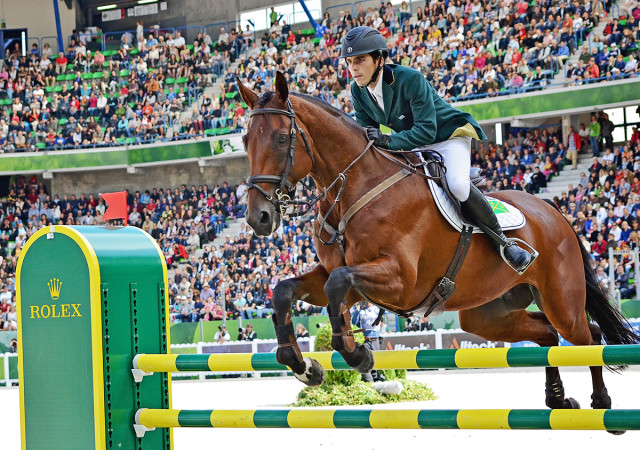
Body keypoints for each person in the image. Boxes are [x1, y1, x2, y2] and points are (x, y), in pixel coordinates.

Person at [341, 26, 535, 274]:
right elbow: (368, 137)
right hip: (412, 144)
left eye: (360, 60)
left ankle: (505, 244)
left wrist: (388, 141)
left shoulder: (410, 79)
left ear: (379, 59)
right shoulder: (358, 91)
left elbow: (426, 132)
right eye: (349, 62)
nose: (353, 68)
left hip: (445, 136)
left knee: (457, 185)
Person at [351, 301, 384, 382]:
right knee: (366, 362)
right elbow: (354, 323)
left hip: (376, 340)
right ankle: (369, 381)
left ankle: (377, 381)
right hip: (366, 340)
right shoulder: (361, 311)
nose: (366, 302)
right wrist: (357, 311)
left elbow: (382, 320)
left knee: (377, 362)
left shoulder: (377, 309)